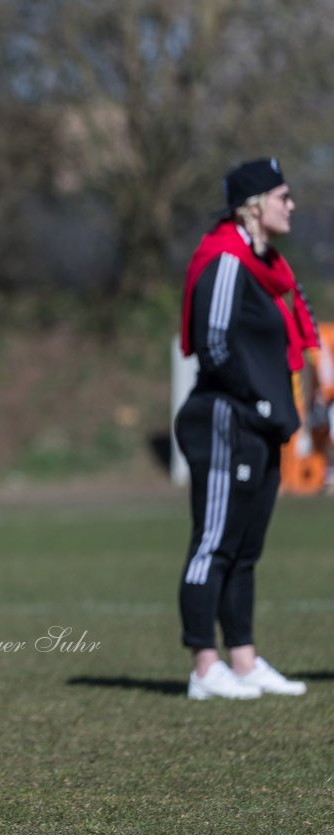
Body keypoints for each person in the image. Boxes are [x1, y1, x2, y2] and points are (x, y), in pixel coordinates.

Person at [176, 157, 318, 700]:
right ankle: (204, 666)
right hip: (225, 419)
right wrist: (255, 401)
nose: (291, 205)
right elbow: (212, 343)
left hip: (260, 425)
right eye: (283, 195)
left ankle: (243, 658)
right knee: (213, 542)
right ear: (254, 206)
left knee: (246, 548)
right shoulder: (226, 260)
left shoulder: (266, 266)